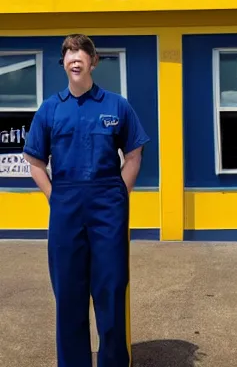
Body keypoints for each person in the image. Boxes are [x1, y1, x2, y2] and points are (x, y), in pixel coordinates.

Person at [23, 34, 149, 367]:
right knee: (68, 295)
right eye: (68, 53)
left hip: (108, 204)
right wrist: (56, 197)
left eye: (82, 52)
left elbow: (134, 152)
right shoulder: (50, 109)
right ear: (63, 63)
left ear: (93, 61)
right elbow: (35, 161)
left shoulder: (116, 105)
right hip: (65, 204)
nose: (75, 57)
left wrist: (120, 194)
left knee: (110, 290)